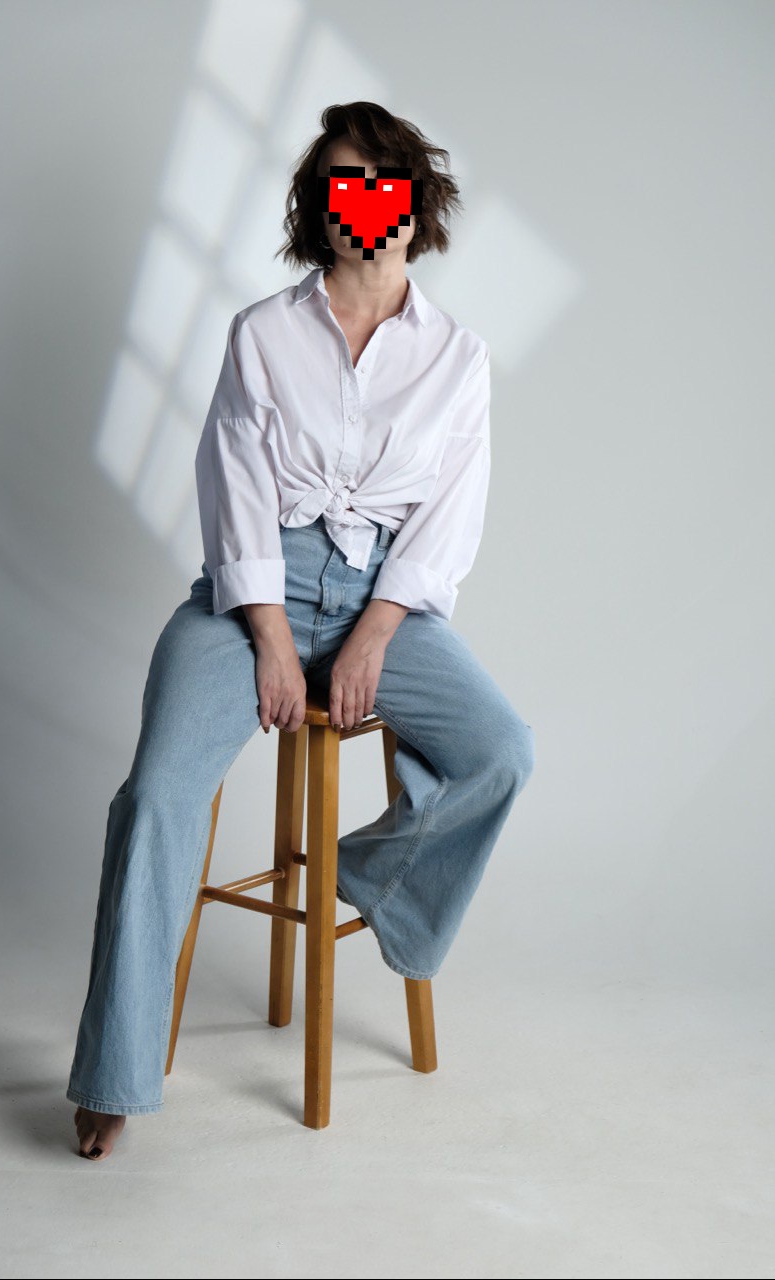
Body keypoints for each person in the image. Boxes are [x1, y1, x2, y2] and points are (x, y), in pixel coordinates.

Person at [67, 101, 535, 1162]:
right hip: (252, 595)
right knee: (155, 796)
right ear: (320, 208)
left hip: (384, 597)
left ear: (413, 203)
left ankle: (364, 877)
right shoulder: (263, 333)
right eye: (338, 184)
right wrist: (272, 639)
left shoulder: (458, 357)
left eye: (377, 182)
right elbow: (233, 488)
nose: (357, 202)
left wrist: (373, 634)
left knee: (501, 750)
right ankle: (115, 1074)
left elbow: (447, 518)